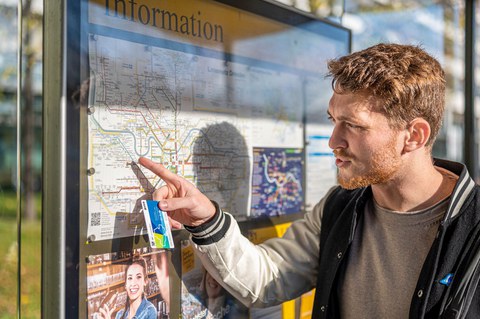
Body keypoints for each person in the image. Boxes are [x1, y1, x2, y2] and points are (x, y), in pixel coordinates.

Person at [138, 43, 480, 318]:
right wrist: (207, 219)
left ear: (414, 135)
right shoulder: (341, 208)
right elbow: (268, 279)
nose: (333, 140)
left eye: (354, 125)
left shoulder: (474, 226)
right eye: (333, 120)